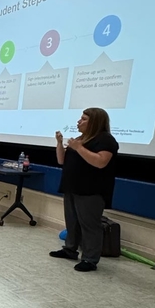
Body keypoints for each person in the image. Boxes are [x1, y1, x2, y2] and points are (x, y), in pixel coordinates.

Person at [50, 107, 119, 272]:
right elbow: (61, 160)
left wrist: (79, 147)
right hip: (72, 186)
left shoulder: (106, 140)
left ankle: (90, 259)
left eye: (83, 119)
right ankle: (70, 249)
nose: (78, 122)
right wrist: (60, 143)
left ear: (94, 122)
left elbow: (101, 162)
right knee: (72, 222)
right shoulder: (81, 139)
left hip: (91, 190)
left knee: (89, 225)